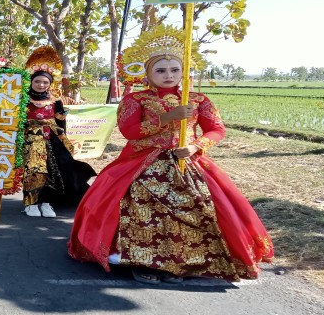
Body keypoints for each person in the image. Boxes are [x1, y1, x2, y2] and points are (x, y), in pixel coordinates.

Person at [68, 25, 274, 285]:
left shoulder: (198, 99)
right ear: (148, 73)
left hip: (188, 161)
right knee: (139, 206)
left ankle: (185, 261)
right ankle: (140, 260)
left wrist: (197, 146)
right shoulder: (136, 100)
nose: (168, 75)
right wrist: (168, 118)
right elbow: (129, 132)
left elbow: (217, 130)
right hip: (142, 162)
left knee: (199, 207)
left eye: (175, 69)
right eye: (161, 70)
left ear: (184, 71)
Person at [21, 47, 96, 218]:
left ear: (50, 84)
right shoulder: (22, 100)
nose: (41, 85)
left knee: (53, 170)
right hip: (31, 141)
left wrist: (64, 140)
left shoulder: (56, 101)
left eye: (45, 83)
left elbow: (61, 122)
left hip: (52, 140)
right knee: (33, 170)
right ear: (31, 82)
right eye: (38, 82)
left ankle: (47, 202)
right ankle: (31, 203)